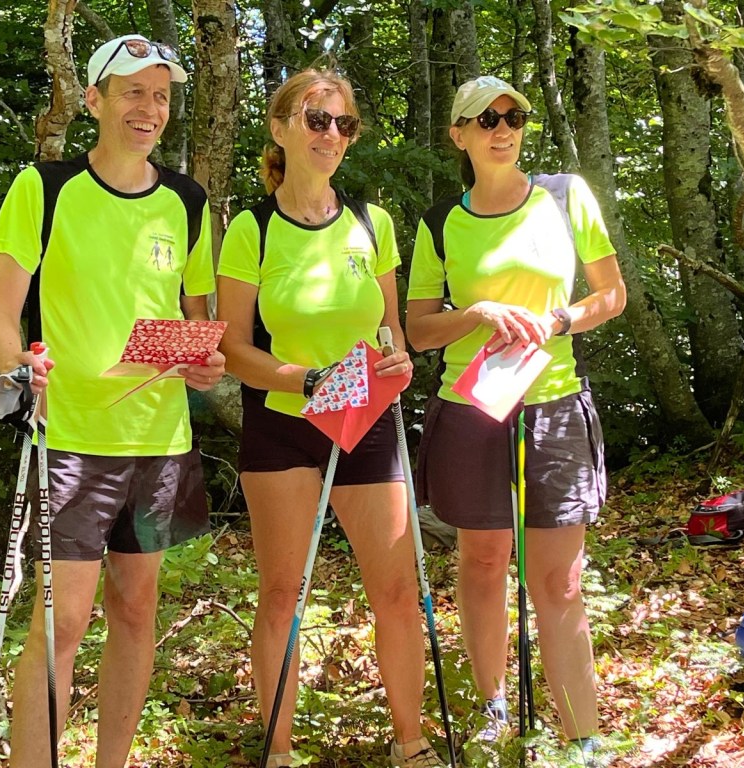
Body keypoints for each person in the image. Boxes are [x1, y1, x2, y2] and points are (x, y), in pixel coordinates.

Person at [0, 34, 225, 768]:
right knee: (63, 622)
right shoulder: (45, 187)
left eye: (162, 96)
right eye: (133, 92)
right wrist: (18, 366)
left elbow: (195, 320)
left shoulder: (186, 201)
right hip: (70, 437)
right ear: (94, 99)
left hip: (160, 439)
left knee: (136, 609)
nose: (150, 108)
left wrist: (204, 363)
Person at [215, 68, 444, 768]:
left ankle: (412, 745)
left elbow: (391, 331)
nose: (332, 135)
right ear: (280, 128)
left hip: (366, 421)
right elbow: (232, 348)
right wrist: (306, 379)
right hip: (284, 422)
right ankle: (279, 752)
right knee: (283, 592)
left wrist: (397, 360)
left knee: (397, 589)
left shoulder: (373, 223)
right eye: (317, 120)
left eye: (344, 124)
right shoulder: (251, 229)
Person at [406, 76, 627, 765]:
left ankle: (581, 739)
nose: (502, 128)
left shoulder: (565, 197)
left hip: (553, 406)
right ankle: (493, 710)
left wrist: (558, 320)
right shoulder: (440, 222)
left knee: (558, 581)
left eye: (514, 116)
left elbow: (610, 294)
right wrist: (475, 315)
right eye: (486, 119)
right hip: (471, 408)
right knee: (481, 562)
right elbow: (418, 330)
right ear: (459, 135)